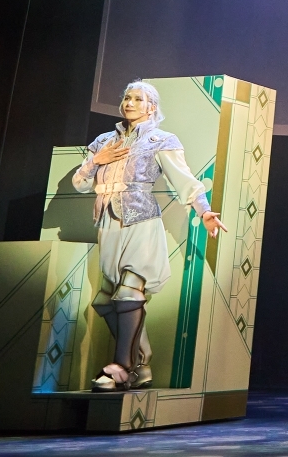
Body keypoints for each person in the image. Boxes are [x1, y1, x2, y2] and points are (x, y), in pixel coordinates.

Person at [71, 80, 227, 391]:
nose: (129, 103)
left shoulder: (160, 140)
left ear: (151, 107)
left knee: (130, 293)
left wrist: (204, 211)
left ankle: (120, 367)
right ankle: (142, 362)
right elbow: (80, 184)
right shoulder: (103, 141)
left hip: (142, 221)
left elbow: (185, 180)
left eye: (138, 99)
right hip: (108, 222)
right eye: (127, 98)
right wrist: (96, 161)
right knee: (105, 301)